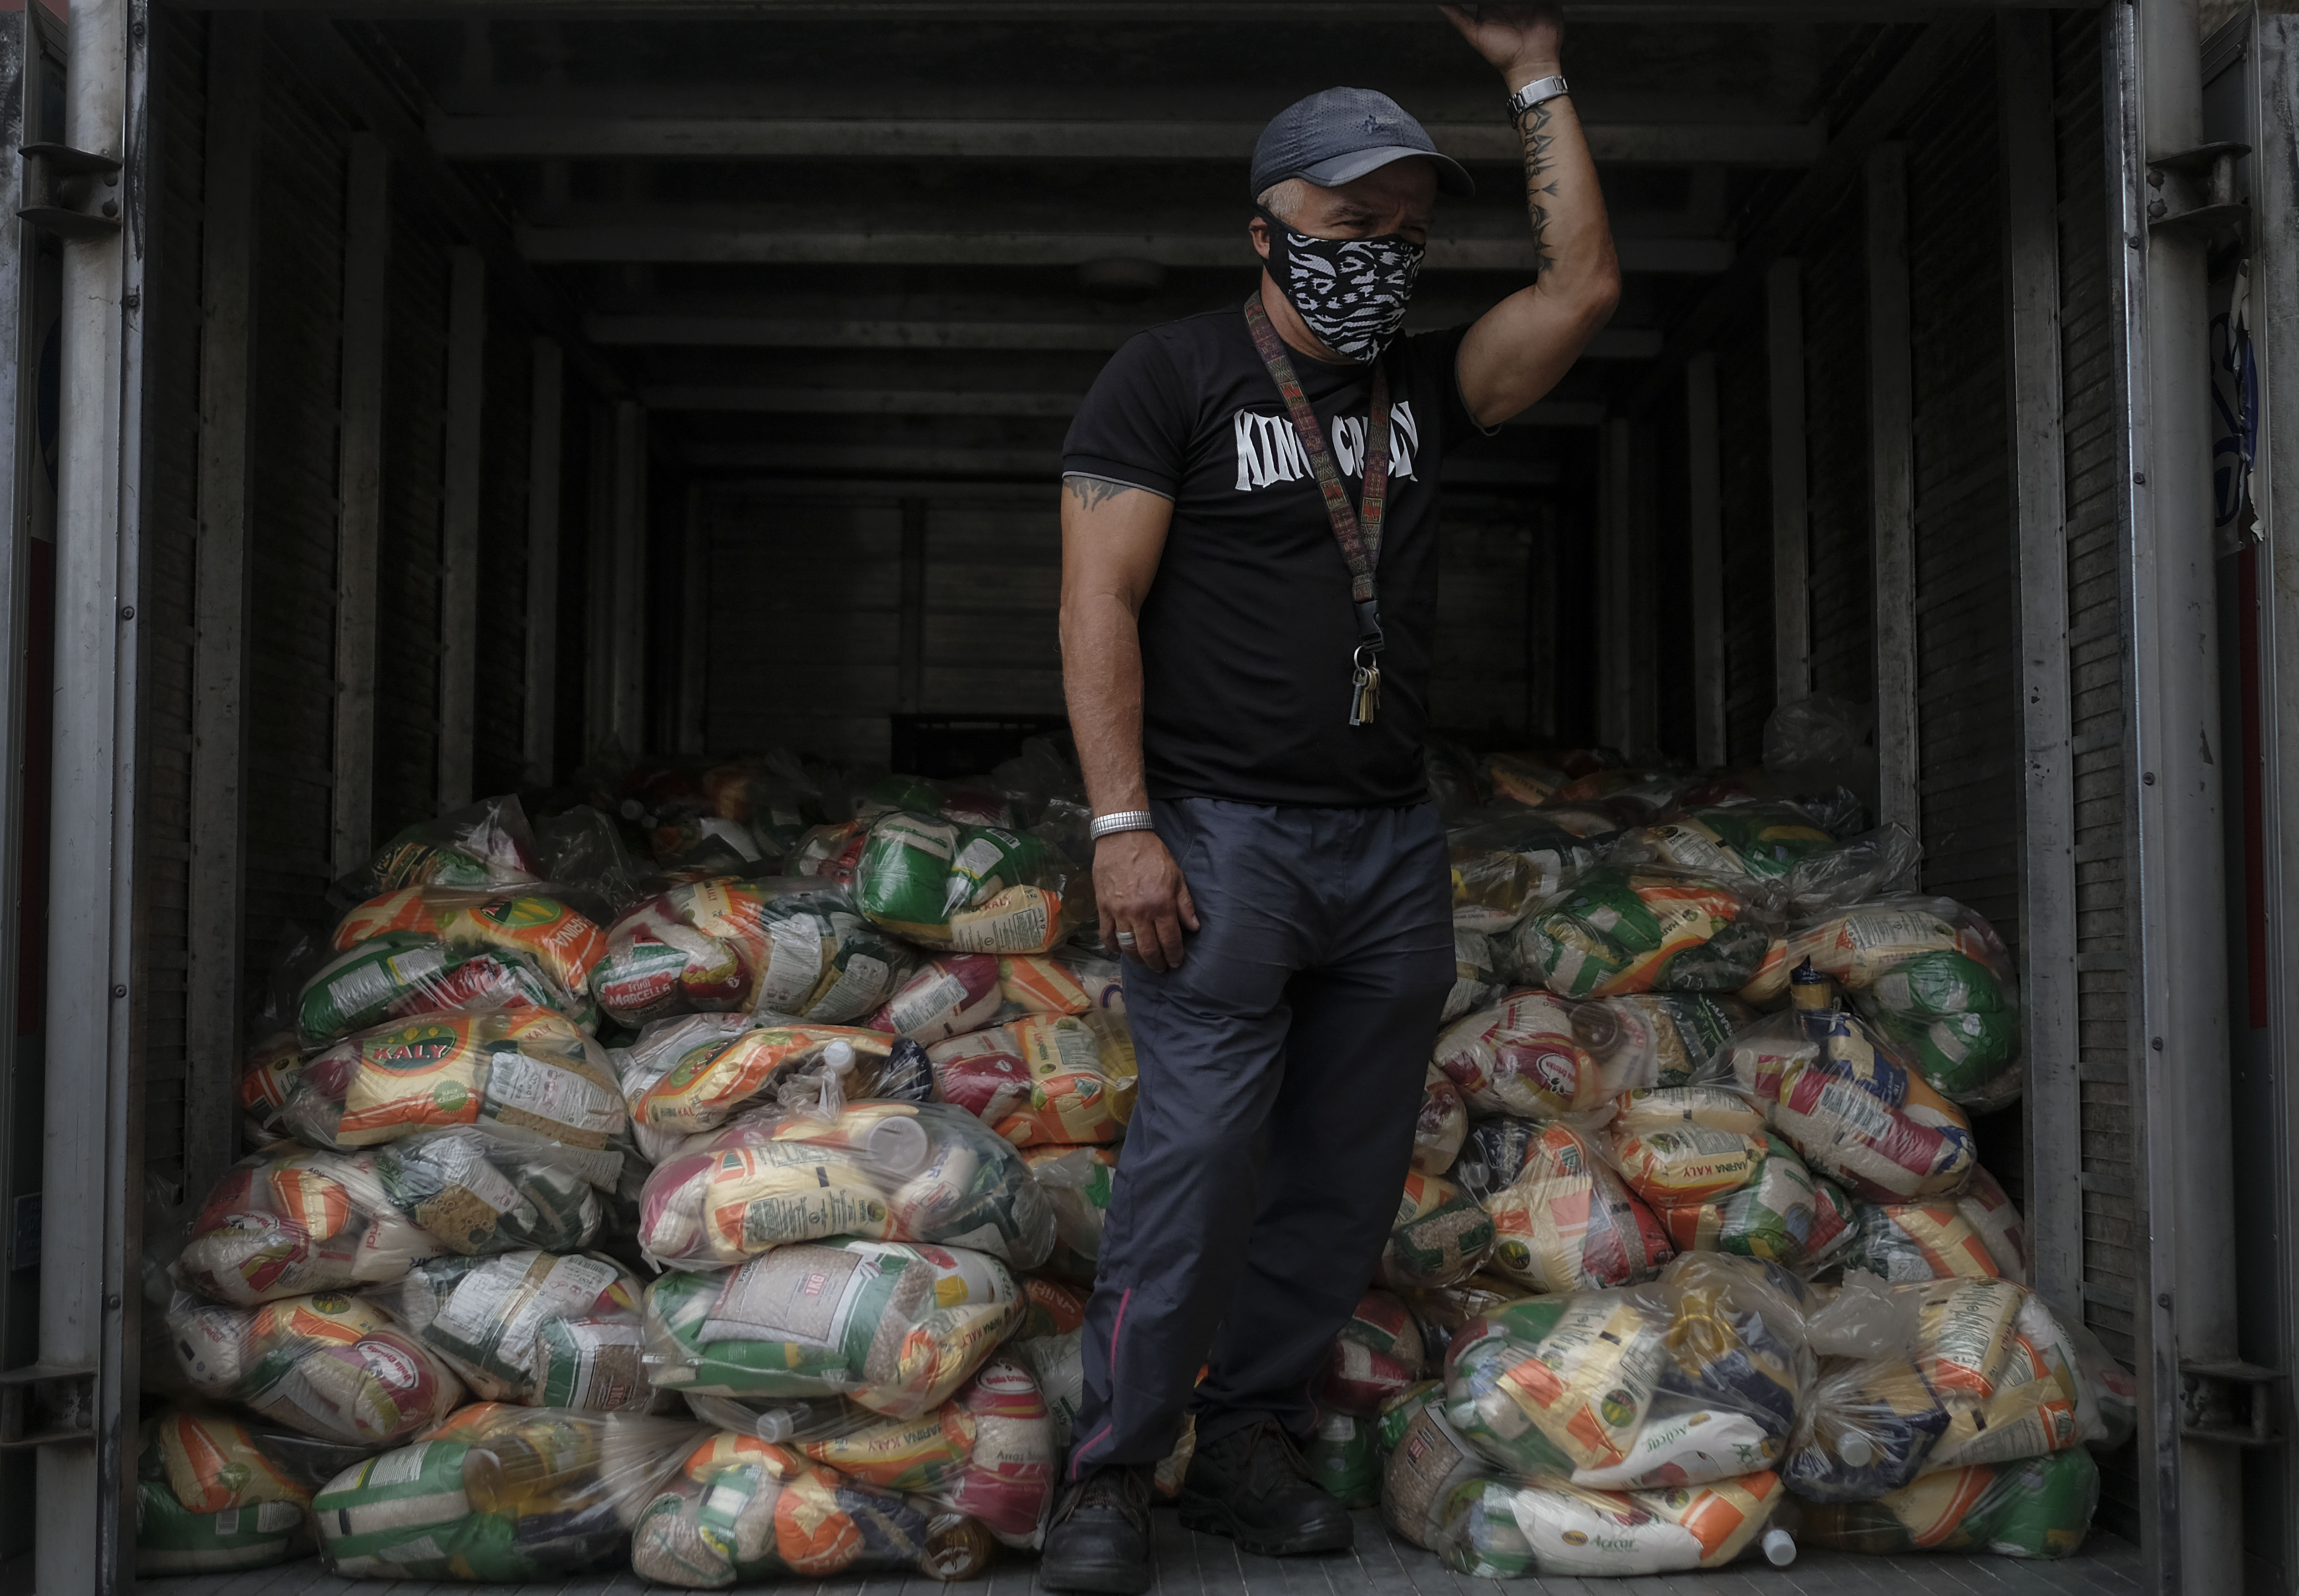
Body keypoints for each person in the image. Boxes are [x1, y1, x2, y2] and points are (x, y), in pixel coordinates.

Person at [1044, 5, 1618, 1590]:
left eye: (1410, 231)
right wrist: (1122, 824)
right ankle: (1106, 1471)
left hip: (1388, 843)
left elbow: (1580, 290)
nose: (1383, 253)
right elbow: (1096, 607)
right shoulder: (1167, 377)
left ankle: (1249, 1440)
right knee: (1197, 1159)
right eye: (1351, 223)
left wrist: (1530, 75)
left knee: (1340, 1171)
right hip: (1222, 837)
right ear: (1267, 229)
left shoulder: (1423, 396)